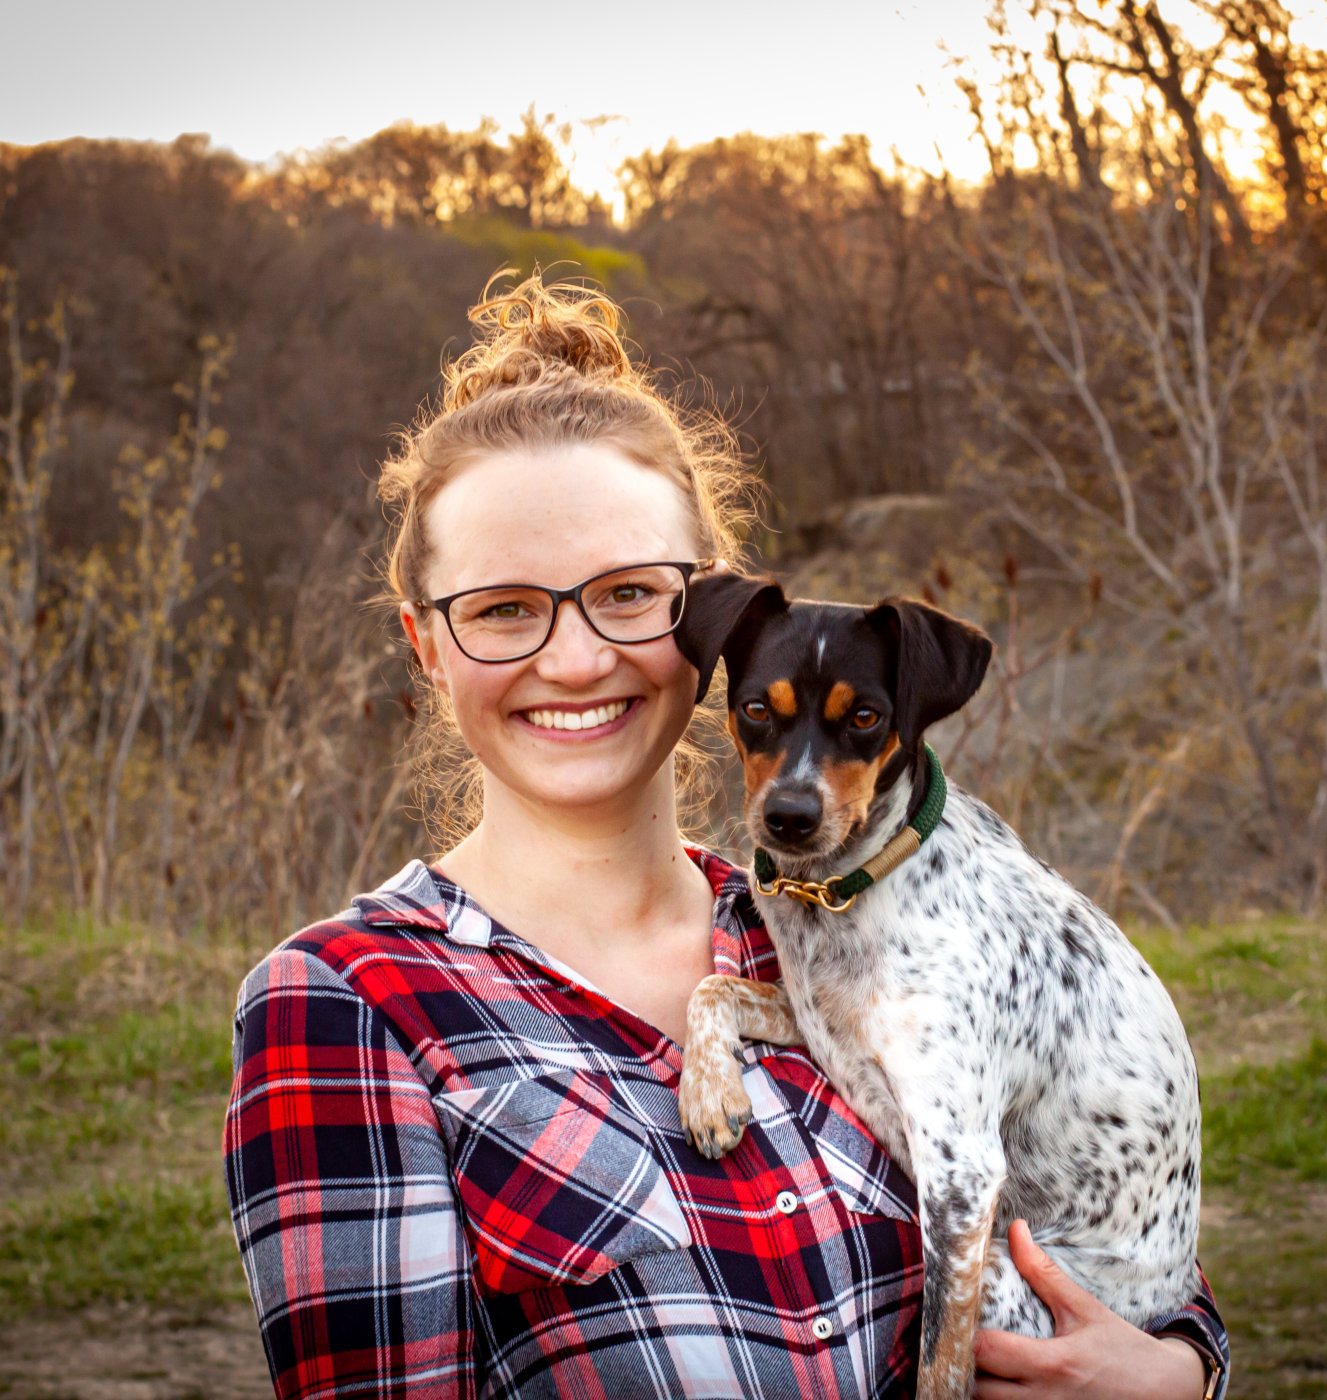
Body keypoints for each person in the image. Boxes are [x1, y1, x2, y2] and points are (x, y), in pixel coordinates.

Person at [222, 275, 1229, 1399]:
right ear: (424, 642)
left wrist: (1179, 1373)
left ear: (707, 619)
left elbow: (1119, 1237)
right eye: (504, 606)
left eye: (627, 594)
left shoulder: (818, 928)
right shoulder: (352, 1005)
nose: (572, 659)